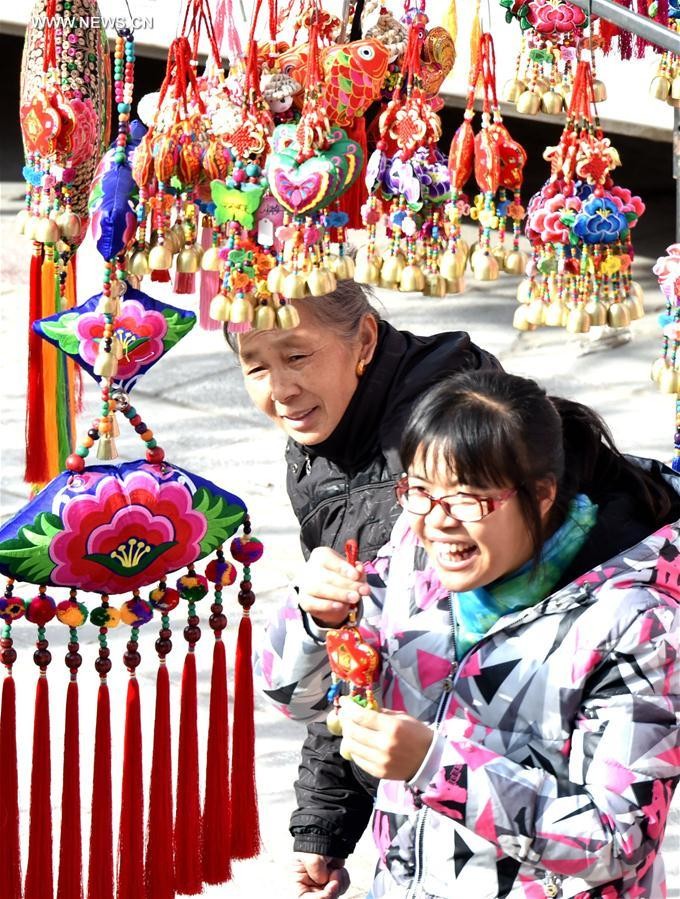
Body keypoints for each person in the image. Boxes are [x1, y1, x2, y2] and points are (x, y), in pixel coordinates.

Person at [257, 369, 680, 898]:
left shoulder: (634, 623)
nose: (438, 522)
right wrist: (312, 619)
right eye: (420, 491)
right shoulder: (413, 554)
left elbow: (617, 839)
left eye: (468, 499)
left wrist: (437, 768)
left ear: (542, 494)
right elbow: (296, 700)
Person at [232, 278, 501, 897]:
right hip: (414, 815)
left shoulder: (446, 446)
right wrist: (322, 829)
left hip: (487, 817)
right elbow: (353, 665)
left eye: (297, 356)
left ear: (365, 341)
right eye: (255, 367)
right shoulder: (325, 448)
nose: (280, 390)